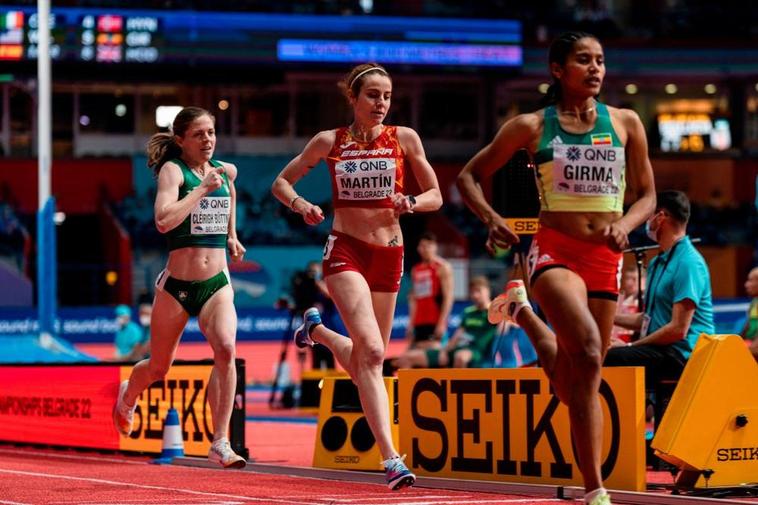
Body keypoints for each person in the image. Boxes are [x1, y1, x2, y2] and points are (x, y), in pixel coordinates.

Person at [456, 32, 656, 505]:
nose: (595, 68)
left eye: (601, 60)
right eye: (583, 60)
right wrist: (493, 219)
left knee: (577, 378)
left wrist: (627, 224)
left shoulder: (626, 122)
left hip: (606, 257)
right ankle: (596, 491)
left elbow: (648, 195)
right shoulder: (530, 126)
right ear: (557, 70)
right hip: (555, 252)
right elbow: (468, 176)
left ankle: (522, 314)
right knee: (588, 349)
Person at [271, 63, 442, 490]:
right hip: (345, 249)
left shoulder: (405, 138)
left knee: (373, 359)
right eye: (372, 95)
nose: (381, 103)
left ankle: (320, 333)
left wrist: (411, 202)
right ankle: (391, 458)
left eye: (386, 96)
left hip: (390, 252)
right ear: (353, 98)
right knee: (369, 348)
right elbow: (281, 183)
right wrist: (302, 205)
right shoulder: (330, 142)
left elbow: (436, 195)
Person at [112, 106, 247, 469]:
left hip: (217, 283)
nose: (208, 140)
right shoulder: (174, 172)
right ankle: (128, 395)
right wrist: (201, 189)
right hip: (176, 286)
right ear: (181, 140)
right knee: (159, 368)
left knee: (226, 347)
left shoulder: (223, 172)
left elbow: (230, 191)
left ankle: (221, 440)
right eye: (200, 134)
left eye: (212, 133)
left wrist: (231, 236)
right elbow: (162, 221)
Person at [605, 190, 714, 389]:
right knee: (605, 351)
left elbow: (678, 330)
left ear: (660, 217)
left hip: (686, 355)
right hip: (664, 350)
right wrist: (608, 317)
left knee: (614, 358)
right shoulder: (657, 262)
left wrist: (630, 346)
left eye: (649, 216)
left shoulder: (689, 262)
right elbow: (649, 319)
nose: (647, 222)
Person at [393, 275, 498, 369]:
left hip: (475, 352)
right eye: (472, 292)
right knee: (408, 357)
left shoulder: (495, 313)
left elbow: (509, 323)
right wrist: (445, 350)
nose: (475, 295)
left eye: (478, 291)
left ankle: (457, 389)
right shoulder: (468, 312)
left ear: (487, 290)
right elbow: (458, 334)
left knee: (460, 357)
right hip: (455, 350)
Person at [406, 232, 454, 350]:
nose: (425, 249)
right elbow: (413, 299)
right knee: (411, 357)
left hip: (435, 320)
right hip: (419, 321)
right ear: (418, 248)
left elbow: (448, 297)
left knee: (432, 357)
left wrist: (442, 323)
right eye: (422, 246)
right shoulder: (416, 270)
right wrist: (411, 324)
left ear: (435, 247)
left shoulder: (442, 267)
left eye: (428, 246)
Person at [291, 260, 335, 369]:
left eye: (315, 271)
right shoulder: (307, 288)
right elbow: (300, 303)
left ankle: (331, 385)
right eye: (311, 272)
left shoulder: (326, 284)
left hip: (328, 328)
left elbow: (330, 296)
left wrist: (317, 281)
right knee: (316, 361)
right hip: (313, 330)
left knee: (330, 361)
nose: (313, 274)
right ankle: (315, 385)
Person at [610, 265, 643, 346]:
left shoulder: (643, 301)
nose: (630, 283)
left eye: (634, 279)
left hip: (632, 344)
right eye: (628, 278)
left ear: (643, 280)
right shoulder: (617, 300)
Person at [739, 266, 758, 362]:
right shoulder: (754, 303)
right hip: (750, 343)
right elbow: (747, 327)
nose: (746, 285)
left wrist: (745, 351)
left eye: (750, 281)